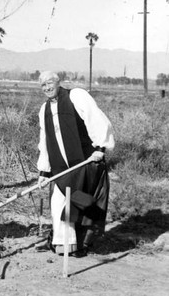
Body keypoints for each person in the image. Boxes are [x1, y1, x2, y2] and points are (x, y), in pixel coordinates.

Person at [36, 71, 114, 257]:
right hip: (61, 168)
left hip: (84, 163)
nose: (47, 88)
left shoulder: (76, 97)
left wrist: (100, 149)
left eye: (49, 83)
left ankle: (74, 244)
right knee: (58, 204)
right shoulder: (44, 109)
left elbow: (96, 119)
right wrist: (44, 171)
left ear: (58, 83)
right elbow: (45, 141)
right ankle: (65, 244)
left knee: (75, 204)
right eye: (43, 85)